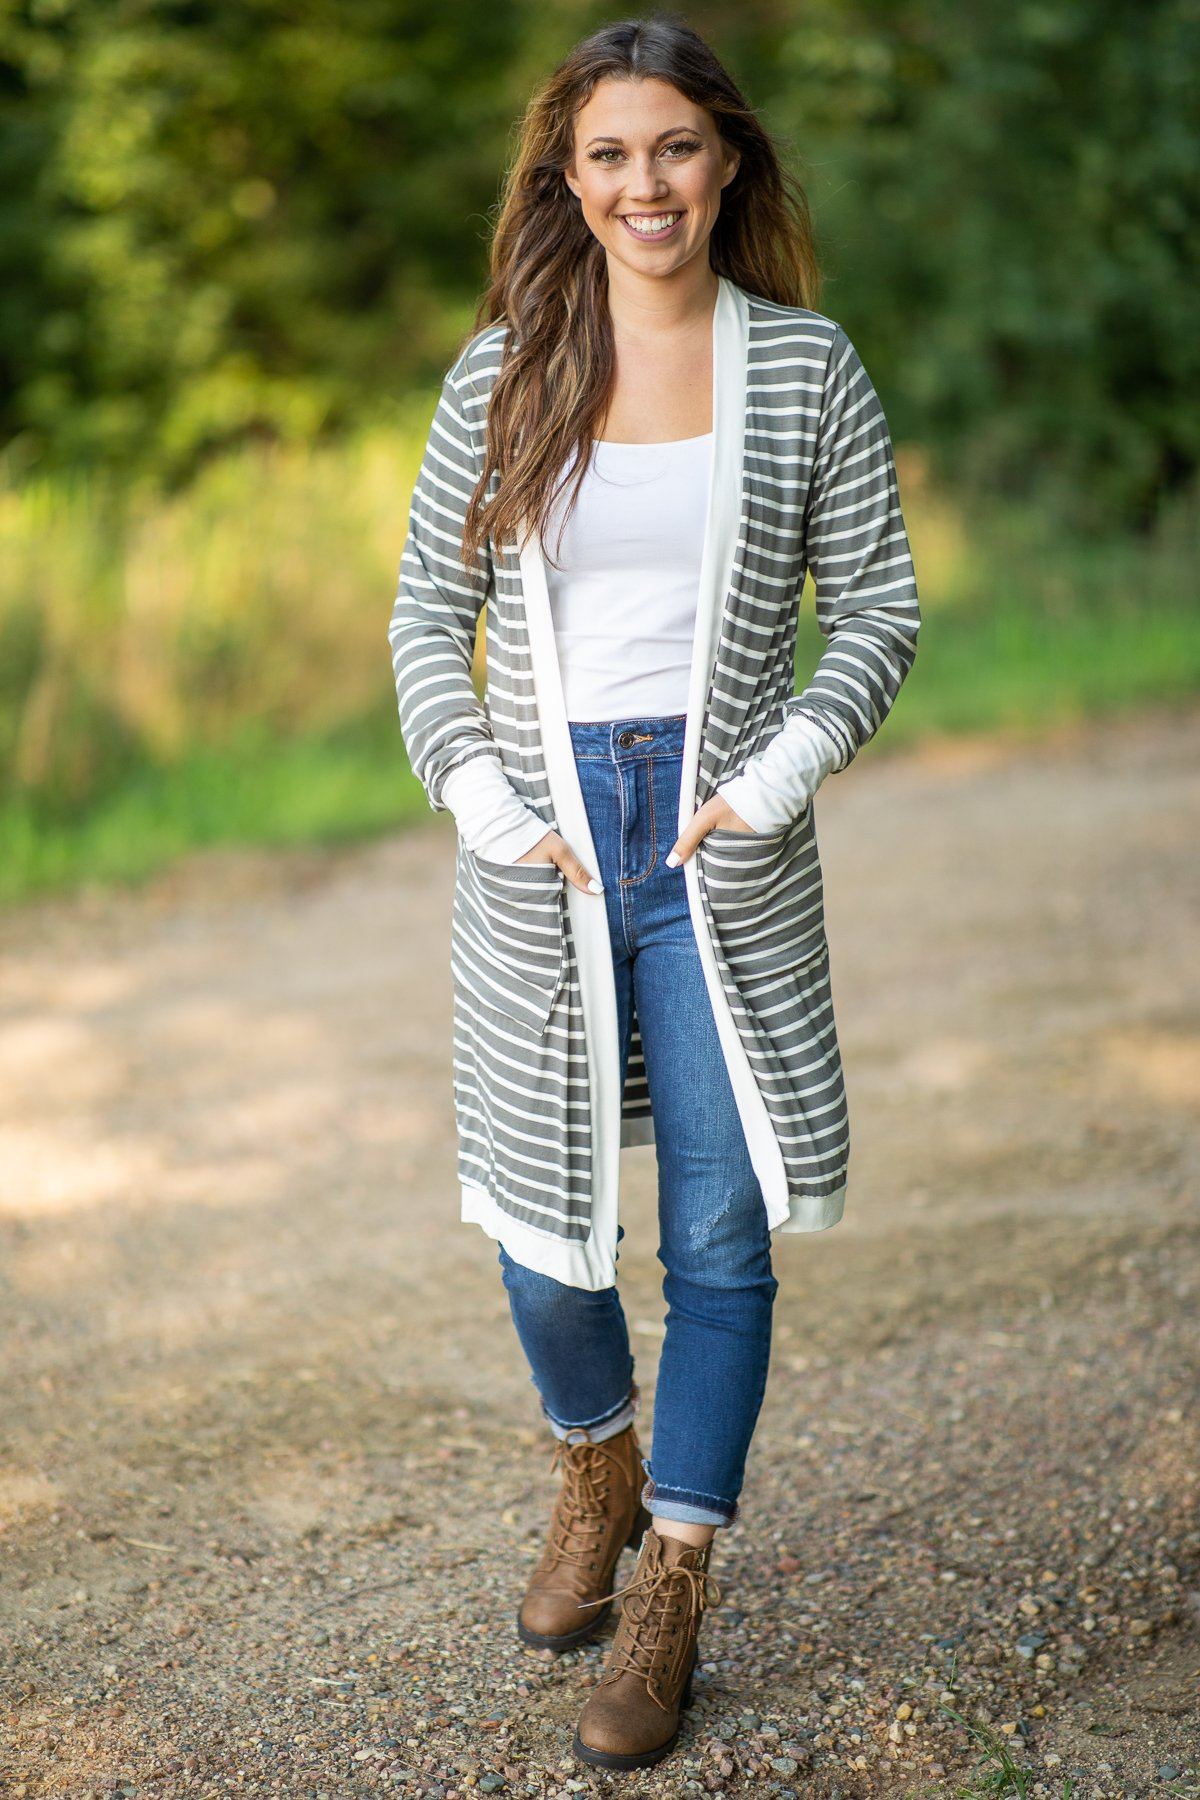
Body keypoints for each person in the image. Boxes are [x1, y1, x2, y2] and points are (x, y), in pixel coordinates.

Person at [388, 15, 920, 1773]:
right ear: (567, 177)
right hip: (540, 855)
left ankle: (678, 1568)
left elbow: (883, 617)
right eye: (610, 155)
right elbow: (422, 630)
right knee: (545, 1239)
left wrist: (769, 783)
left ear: (730, 162)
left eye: (677, 148)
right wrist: (478, 795)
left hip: (721, 851)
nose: (645, 185)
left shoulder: (807, 369)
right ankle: (596, 1460)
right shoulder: (502, 376)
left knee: (716, 1227)